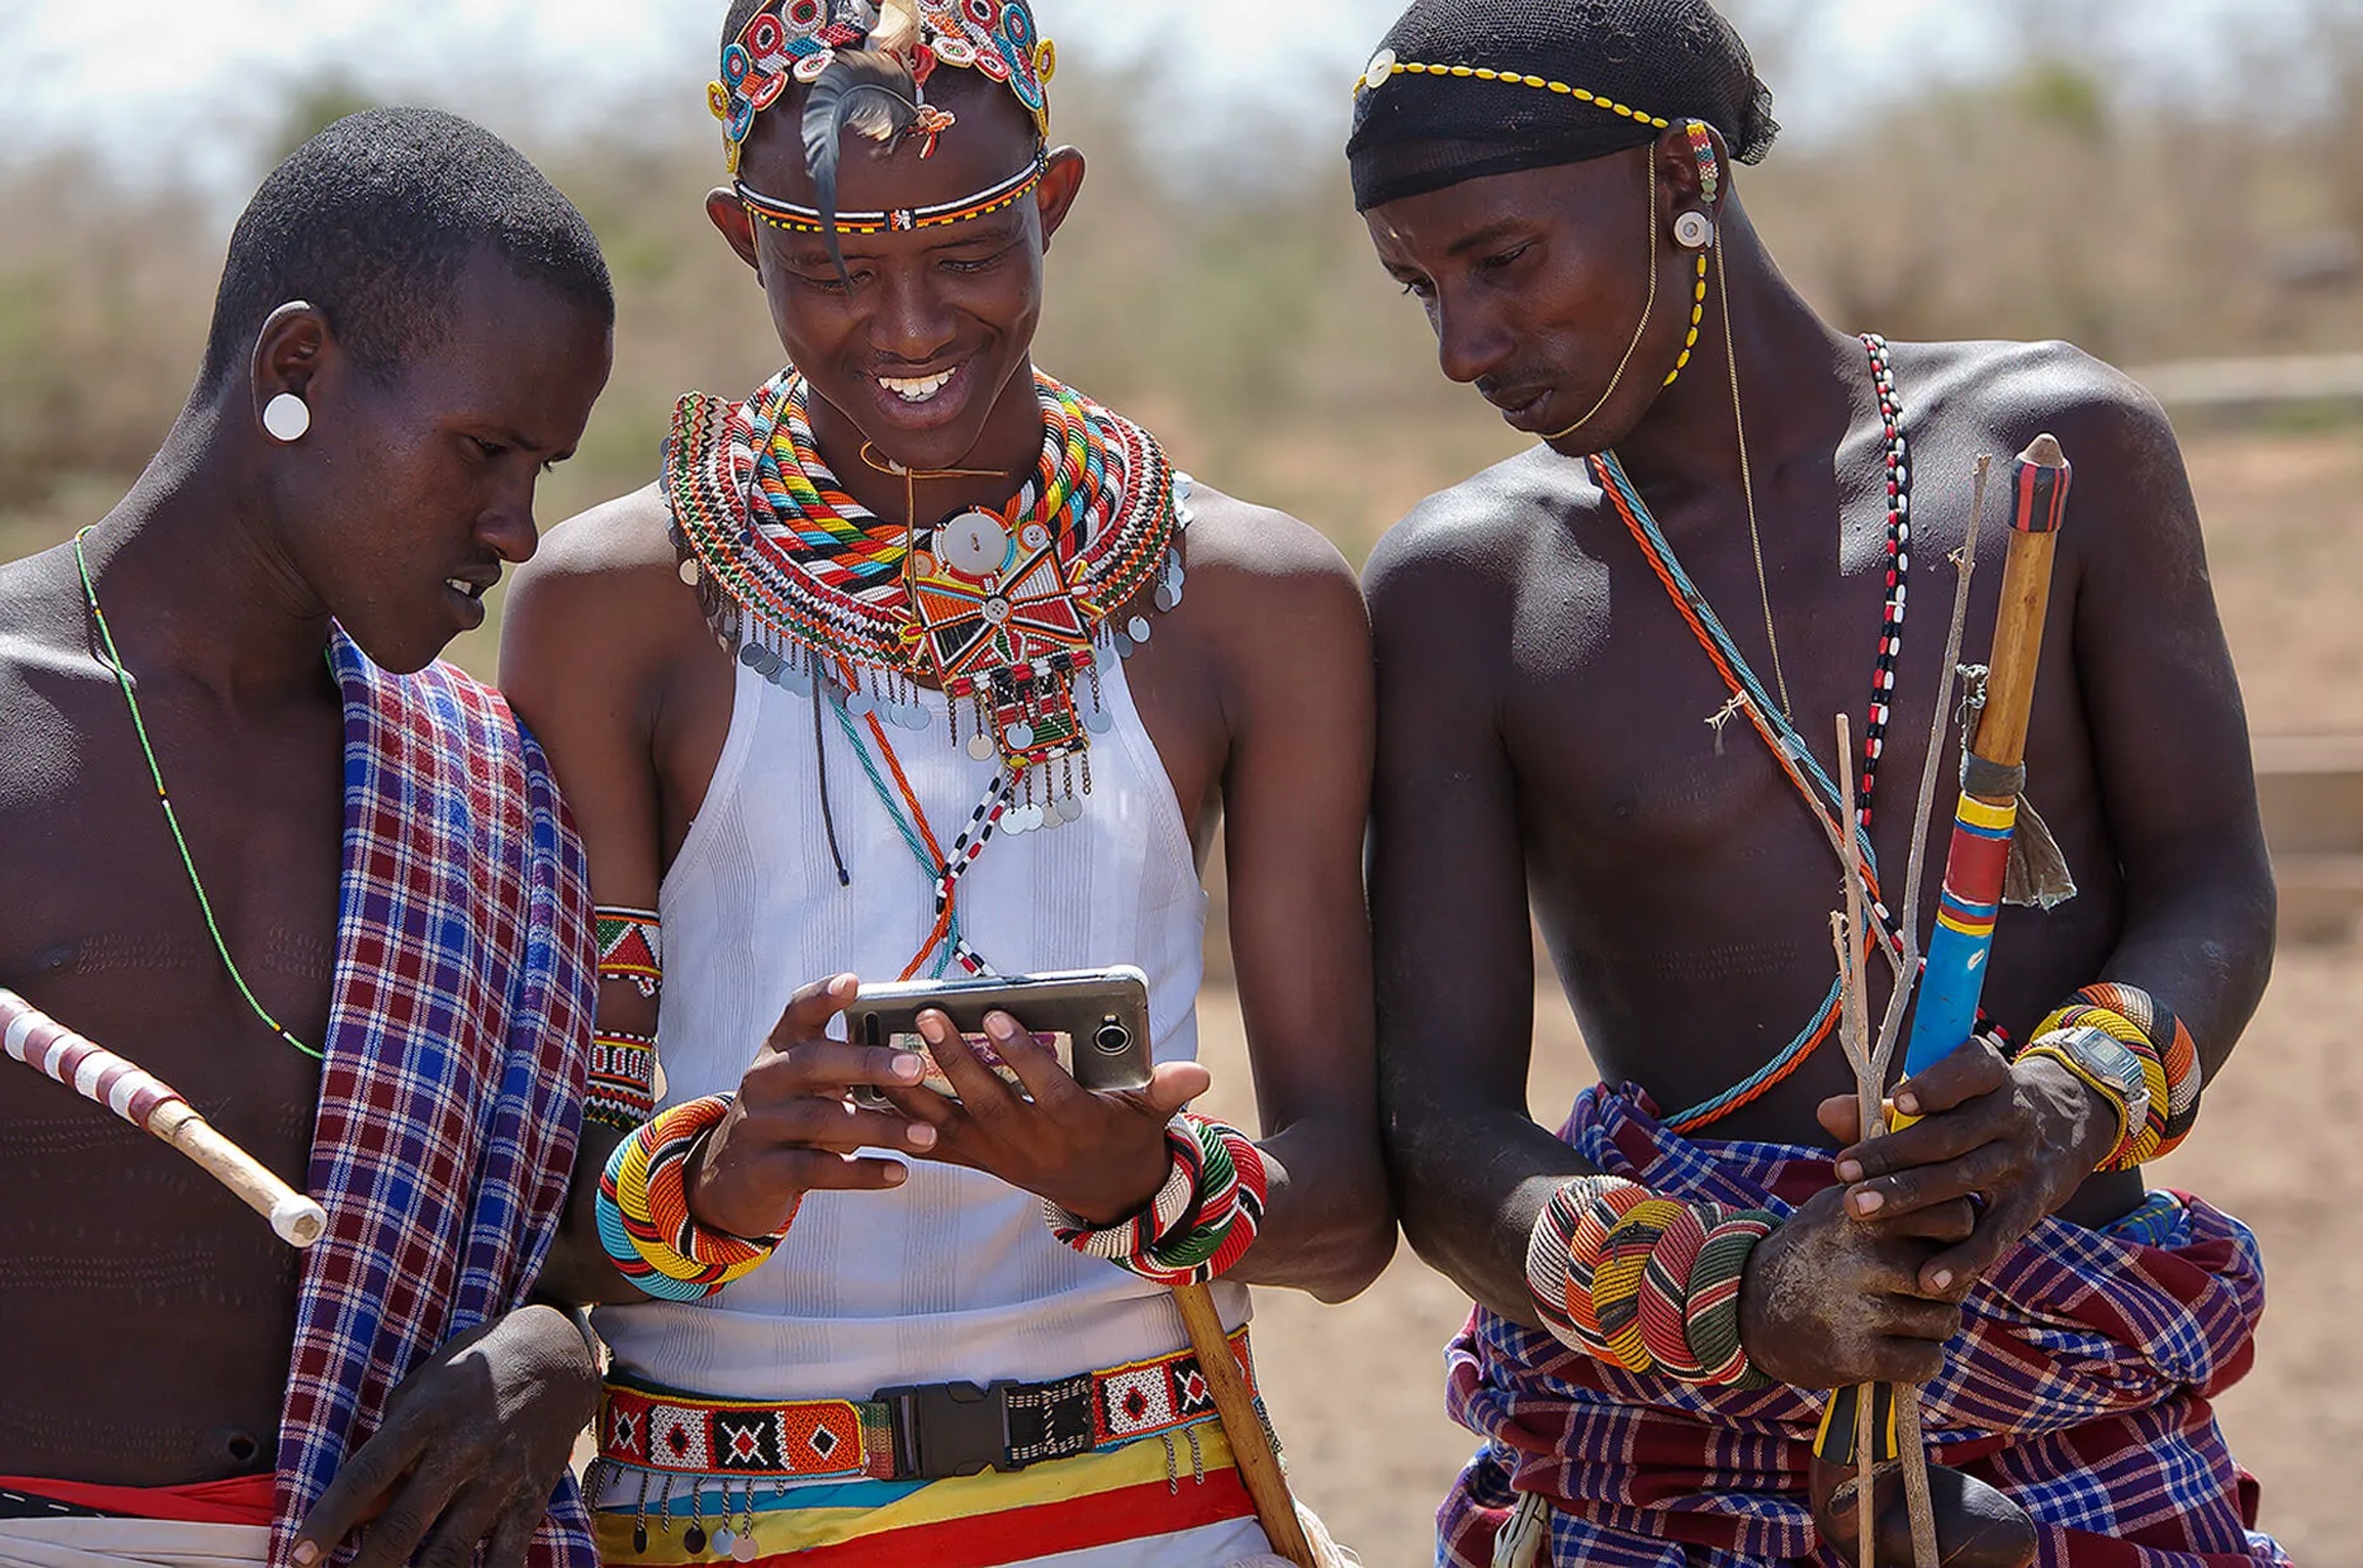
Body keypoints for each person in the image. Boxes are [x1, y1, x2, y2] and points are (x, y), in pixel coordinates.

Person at [1351, 2, 2285, 1565]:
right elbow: (1439, 1132)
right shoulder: (1469, 591)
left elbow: (2213, 887)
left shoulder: (2052, 451)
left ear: (1679, 173)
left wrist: (2056, 1114)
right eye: (1415, 287)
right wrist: (1740, 1299)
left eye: (1501, 260)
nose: (1462, 344)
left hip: (2076, 1367)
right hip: (1664, 1420)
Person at [0, 107, 617, 1568]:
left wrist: (554, 1352)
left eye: (542, 466)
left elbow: (543, 1212)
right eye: (484, 449)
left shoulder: (488, 782)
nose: (518, 526)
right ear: (295, 370)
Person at [498, 2, 1391, 1562]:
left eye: (971, 252)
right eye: (834, 270)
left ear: (1053, 205)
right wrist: (705, 1188)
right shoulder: (611, 611)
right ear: (740, 241)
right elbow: (544, 1212)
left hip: (1151, 1497)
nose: (905, 326)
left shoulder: (1252, 604)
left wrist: (1145, 1183)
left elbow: (1347, 1220)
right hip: (722, 1506)